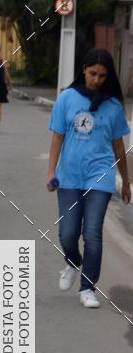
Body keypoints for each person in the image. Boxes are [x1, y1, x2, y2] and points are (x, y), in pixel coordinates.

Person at [47, 48, 131, 308]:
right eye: (93, 73)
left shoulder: (113, 106)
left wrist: (126, 181)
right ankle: (72, 262)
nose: (97, 79)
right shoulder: (67, 99)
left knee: (93, 233)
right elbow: (58, 137)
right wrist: (51, 171)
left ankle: (88, 288)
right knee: (67, 234)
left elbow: (119, 147)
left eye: (102, 76)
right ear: (83, 69)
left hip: (101, 176)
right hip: (70, 176)